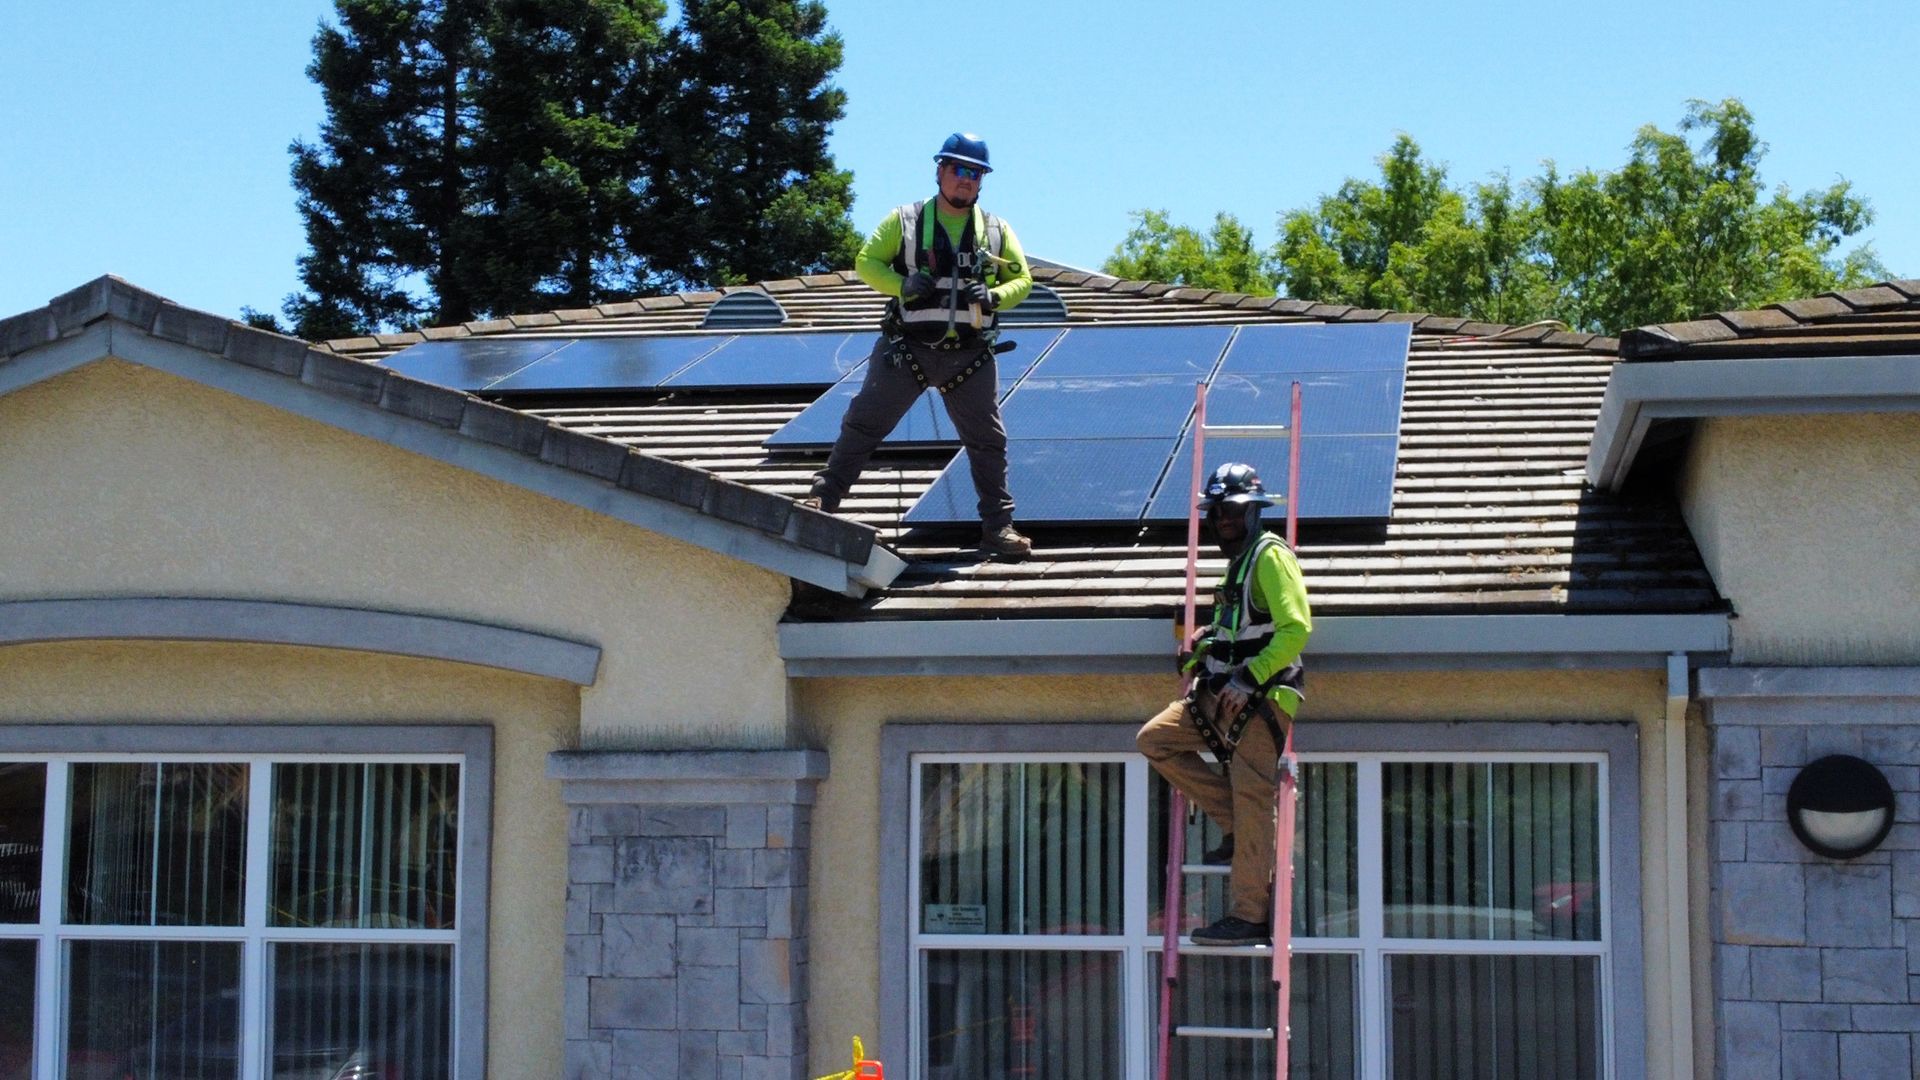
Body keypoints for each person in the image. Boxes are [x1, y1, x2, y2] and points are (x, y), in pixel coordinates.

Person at [803, 132, 1035, 558]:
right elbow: (865, 263)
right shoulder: (904, 220)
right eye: (959, 169)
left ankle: (998, 529)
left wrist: (997, 297)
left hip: (970, 353)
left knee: (988, 440)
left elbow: (1024, 279)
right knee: (863, 424)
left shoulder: (997, 231)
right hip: (906, 349)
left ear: (982, 181)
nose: (966, 179)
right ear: (940, 171)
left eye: (975, 173)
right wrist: (901, 285)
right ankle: (821, 500)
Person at [1135, 462, 1312, 944]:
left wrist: (1249, 677)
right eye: (1217, 513)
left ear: (1254, 509)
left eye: (1232, 510)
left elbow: (1296, 629)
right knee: (1154, 740)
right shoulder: (1239, 564)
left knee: (1255, 799)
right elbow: (1240, 627)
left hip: (1260, 696)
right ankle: (1233, 823)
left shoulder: (1270, 557)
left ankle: (1250, 914)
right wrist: (1205, 637)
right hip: (1220, 692)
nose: (1224, 521)